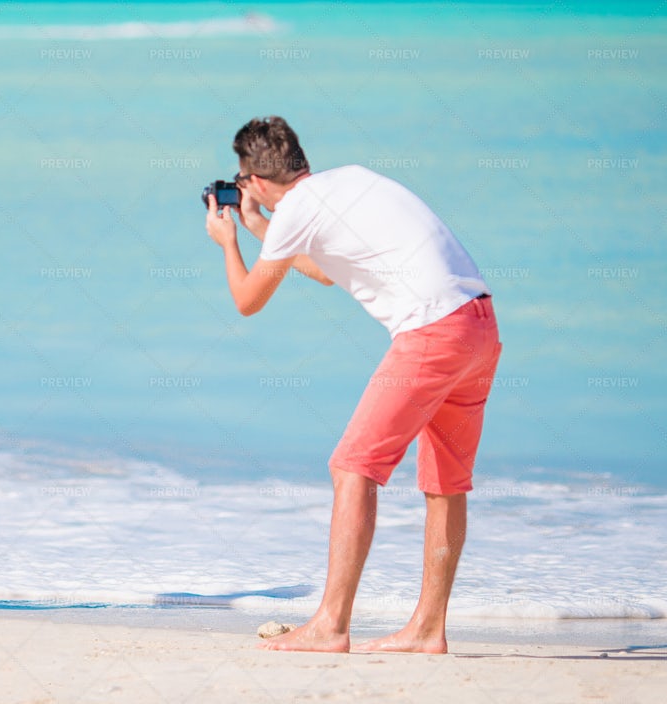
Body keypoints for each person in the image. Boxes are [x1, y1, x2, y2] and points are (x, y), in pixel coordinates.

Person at [205, 116, 501, 654]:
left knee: (352, 467)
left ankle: (331, 625)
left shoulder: (295, 206)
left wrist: (227, 240)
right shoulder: (350, 180)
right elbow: (324, 270)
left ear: (255, 180)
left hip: (431, 332)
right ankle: (428, 630)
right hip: (479, 325)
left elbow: (248, 300)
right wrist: (256, 226)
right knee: (445, 483)